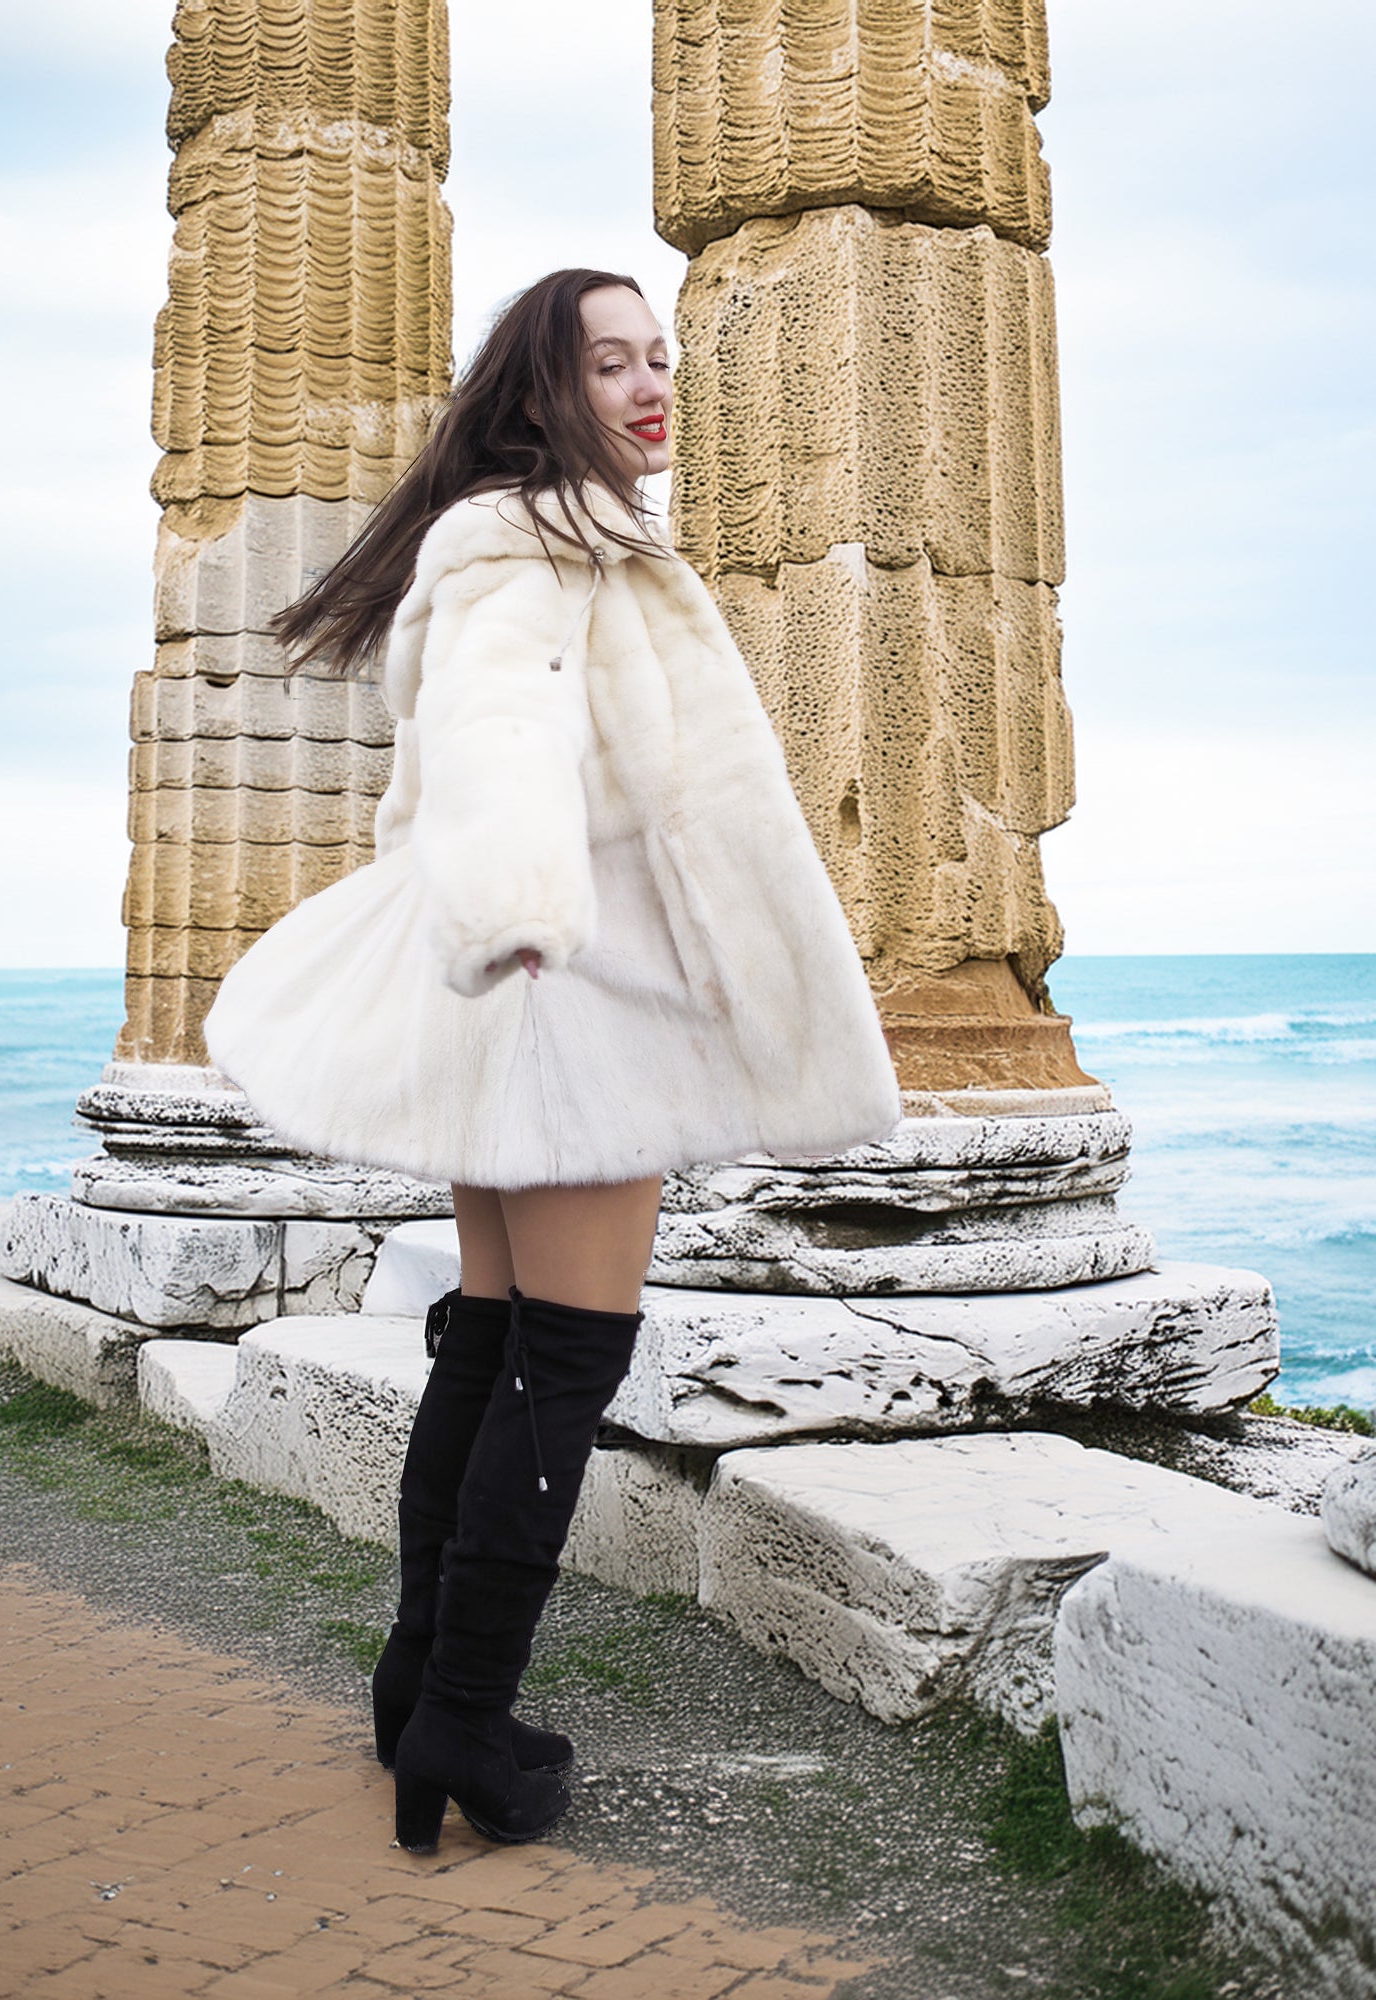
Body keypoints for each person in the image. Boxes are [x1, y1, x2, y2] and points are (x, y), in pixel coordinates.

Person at [203, 268, 901, 1853]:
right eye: (612, 364)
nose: (654, 386)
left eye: (662, 359)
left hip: (533, 972)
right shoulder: (533, 540)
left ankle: (415, 1686)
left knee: (494, 1334)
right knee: (564, 1362)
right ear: (542, 392)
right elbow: (498, 724)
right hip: (576, 978)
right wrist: (523, 901)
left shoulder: (551, 529)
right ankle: (468, 1721)